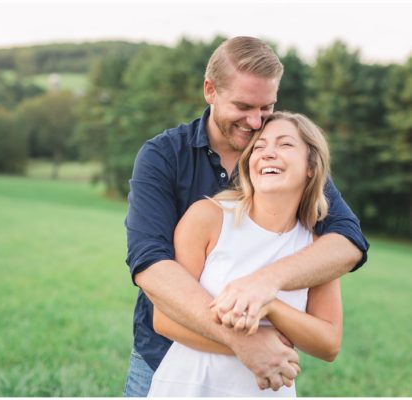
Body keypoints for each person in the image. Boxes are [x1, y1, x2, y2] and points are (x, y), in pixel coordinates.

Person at [124, 36, 368, 396]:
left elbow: (349, 241)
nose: (256, 122)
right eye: (243, 106)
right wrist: (244, 343)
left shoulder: (282, 163)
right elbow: (151, 264)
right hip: (165, 358)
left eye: (267, 107)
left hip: (263, 377)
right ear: (210, 90)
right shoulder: (164, 156)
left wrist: (266, 283)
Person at [149, 111, 342, 396]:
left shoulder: (317, 246)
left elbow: (328, 344)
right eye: (259, 146)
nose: (268, 153)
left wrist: (270, 305)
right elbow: (164, 319)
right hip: (189, 386)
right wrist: (249, 345)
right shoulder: (208, 217)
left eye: (285, 145)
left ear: (311, 166)